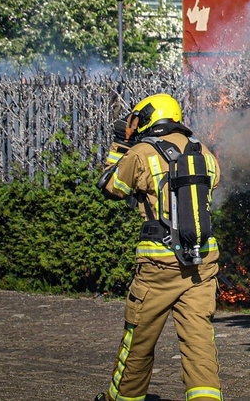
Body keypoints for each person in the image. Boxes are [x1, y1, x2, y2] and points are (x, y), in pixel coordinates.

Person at [95, 93, 223, 401]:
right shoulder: (204, 152)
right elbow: (214, 183)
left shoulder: (142, 152)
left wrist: (120, 144)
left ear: (149, 117)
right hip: (202, 264)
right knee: (199, 343)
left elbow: (111, 186)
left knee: (138, 341)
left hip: (159, 266)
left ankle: (123, 399)